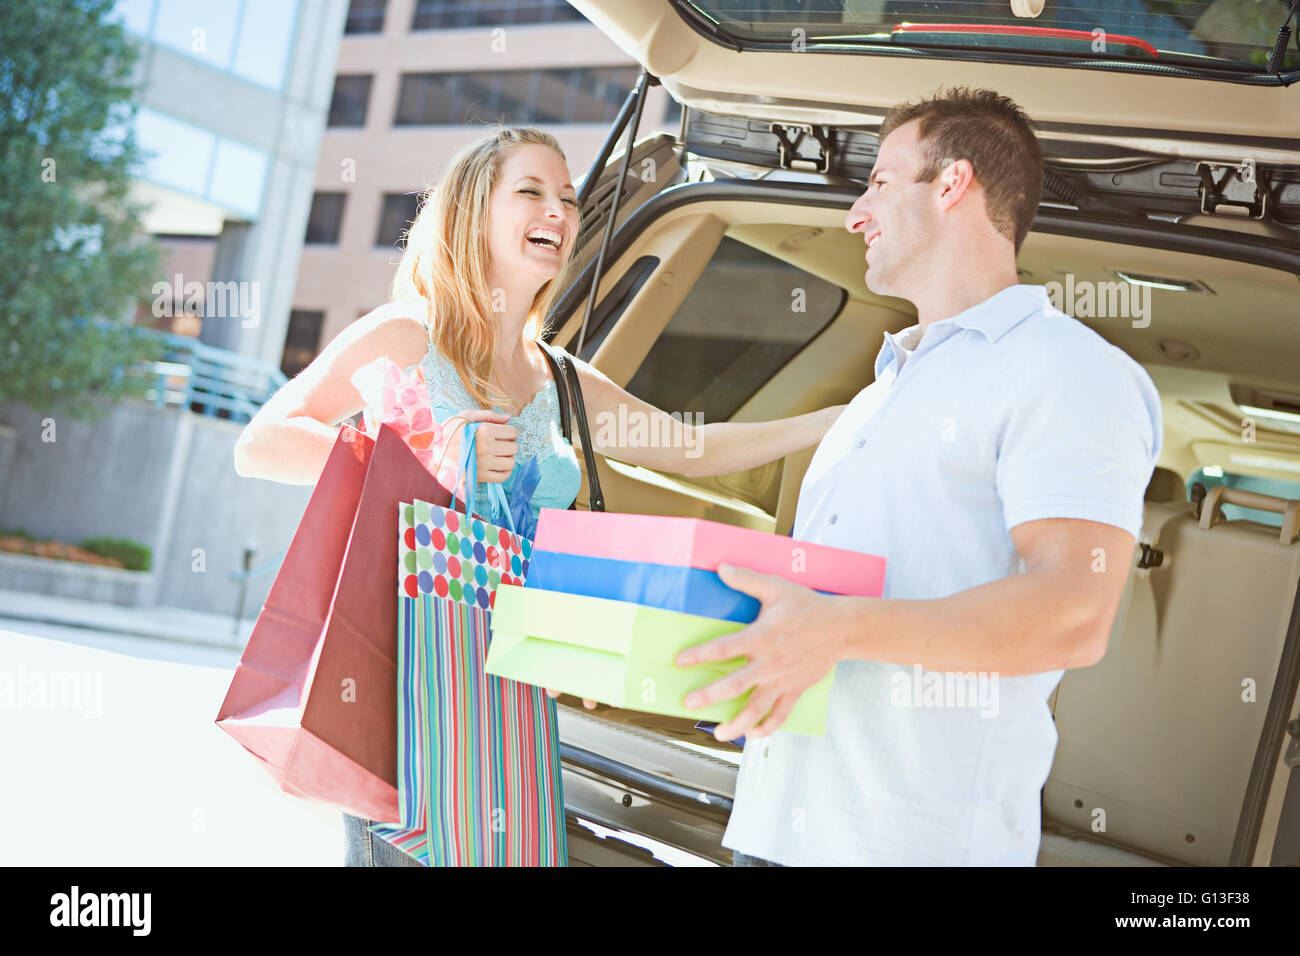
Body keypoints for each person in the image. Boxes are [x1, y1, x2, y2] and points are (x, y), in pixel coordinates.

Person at [233, 126, 847, 866]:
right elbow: (262, 443)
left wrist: (849, 417)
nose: (558, 210)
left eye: (567, 197)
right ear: (472, 214)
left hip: (516, 684)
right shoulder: (406, 336)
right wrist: (437, 454)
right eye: (531, 191)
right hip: (410, 683)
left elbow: (701, 449)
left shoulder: (562, 381)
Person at [674, 87, 1163, 866]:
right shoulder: (880, 396)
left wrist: (837, 631)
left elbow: (1075, 612)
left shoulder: (1070, 371)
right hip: (771, 830)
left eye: (877, 182)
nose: (853, 214)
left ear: (951, 184)